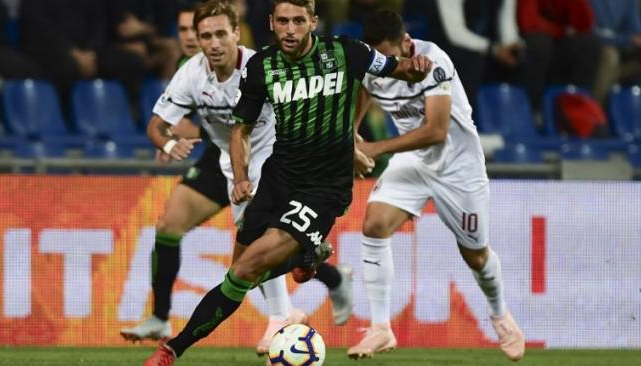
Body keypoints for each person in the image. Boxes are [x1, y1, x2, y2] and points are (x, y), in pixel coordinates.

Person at [142, 0, 430, 364]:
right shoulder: (261, 66)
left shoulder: (346, 52)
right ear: (272, 23)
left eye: (298, 21)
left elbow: (399, 69)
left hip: (324, 187)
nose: (290, 29)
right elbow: (240, 130)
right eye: (283, 21)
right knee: (239, 273)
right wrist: (242, 177)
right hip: (277, 178)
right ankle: (307, 255)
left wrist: (416, 70)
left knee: (249, 268)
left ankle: (171, 350)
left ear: (313, 21)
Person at [120, 1, 353, 356]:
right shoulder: (191, 72)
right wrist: (169, 142)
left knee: (252, 257)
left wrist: (353, 143)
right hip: (230, 162)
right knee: (182, 231)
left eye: (219, 35)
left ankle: (279, 317)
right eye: (201, 36)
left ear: (235, 34)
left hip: (276, 160)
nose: (211, 43)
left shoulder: (265, 66)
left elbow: (318, 108)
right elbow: (157, 125)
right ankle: (323, 271)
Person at [345, 9, 525, 361]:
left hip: (458, 166)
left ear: (406, 43)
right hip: (414, 160)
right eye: (379, 59)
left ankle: (501, 315)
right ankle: (381, 328)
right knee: (374, 224)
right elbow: (366, 85)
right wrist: (353, 129)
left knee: (474, 254)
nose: (385, 65)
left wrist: (374, 148)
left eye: (391, 57)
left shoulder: (434, 61)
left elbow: (435, 131)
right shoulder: (375, 62)